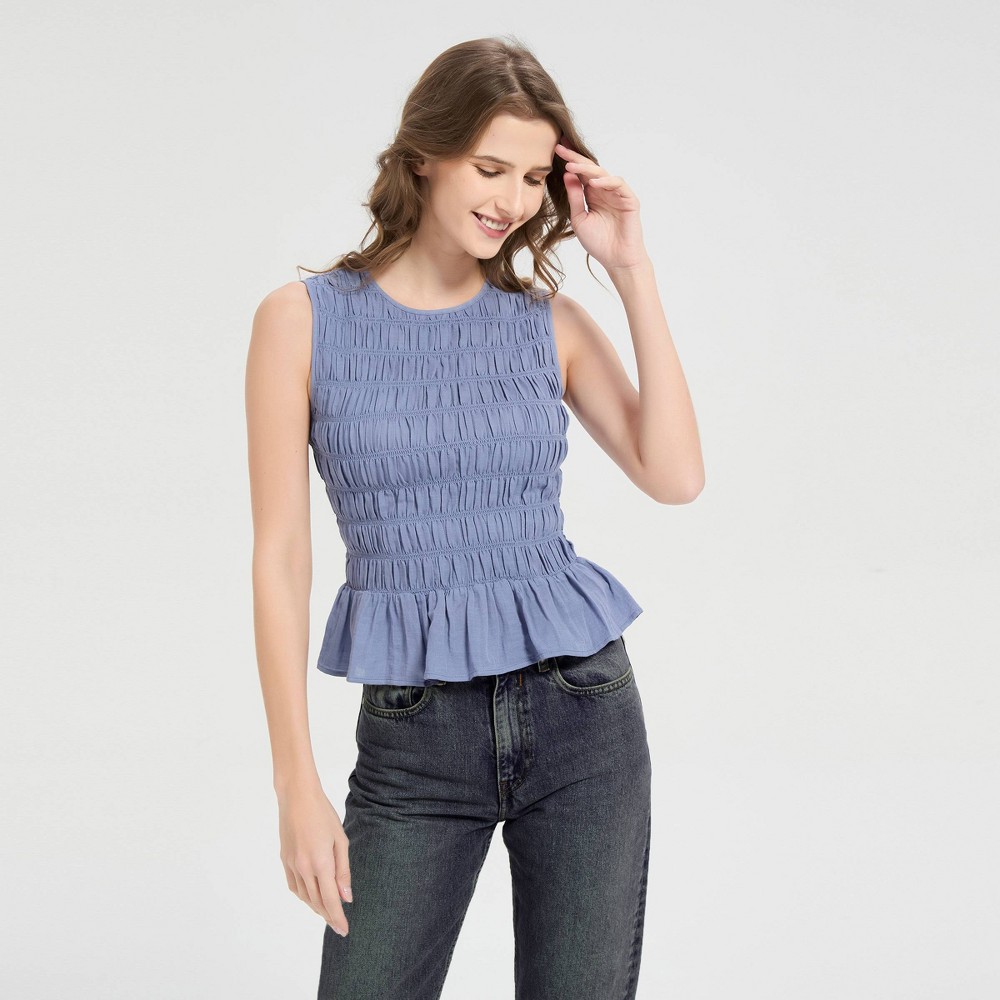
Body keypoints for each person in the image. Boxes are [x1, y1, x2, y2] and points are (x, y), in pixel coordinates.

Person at [245, 35, 704, 1000]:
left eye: (533, 177)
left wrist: (632, 268)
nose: (514, 200)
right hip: (415, 736)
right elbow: (282, 556)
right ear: (424, 155)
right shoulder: (301, 320)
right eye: (490, 168)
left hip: (582, 713)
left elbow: (675, 476)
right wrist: (295, 784)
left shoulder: (547, 322)